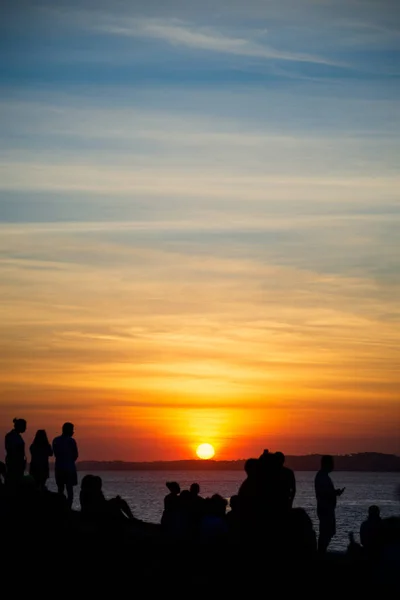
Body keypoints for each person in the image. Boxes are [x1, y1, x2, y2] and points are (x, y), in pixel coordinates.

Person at [315, 455, 345, 553]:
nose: (333, 465)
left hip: (327, 508)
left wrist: (334, 493)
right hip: (325, 509)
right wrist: (335, 493)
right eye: (332, 463)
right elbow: (324, 492)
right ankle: (321, 552)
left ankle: (322, 551)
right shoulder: (322, 477)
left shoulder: (323, 476)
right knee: (326, 532)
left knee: (328, 531)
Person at [52, 422, 78, 508]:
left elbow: (55, 454)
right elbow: (75, 455)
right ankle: (68, 507)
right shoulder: (71, 441)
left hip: (59, 467)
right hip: (69, 468)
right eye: (72, 429)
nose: (73, 431)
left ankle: (61, 507)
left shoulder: (56, 440)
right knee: (69, 490)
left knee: (60, 489)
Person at [5, 418, 27, 483]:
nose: (25, 428)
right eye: (24, 426)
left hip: (18, 463)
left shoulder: (15, 436)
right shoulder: (11, 436)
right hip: (14, 463)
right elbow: (11, 450)